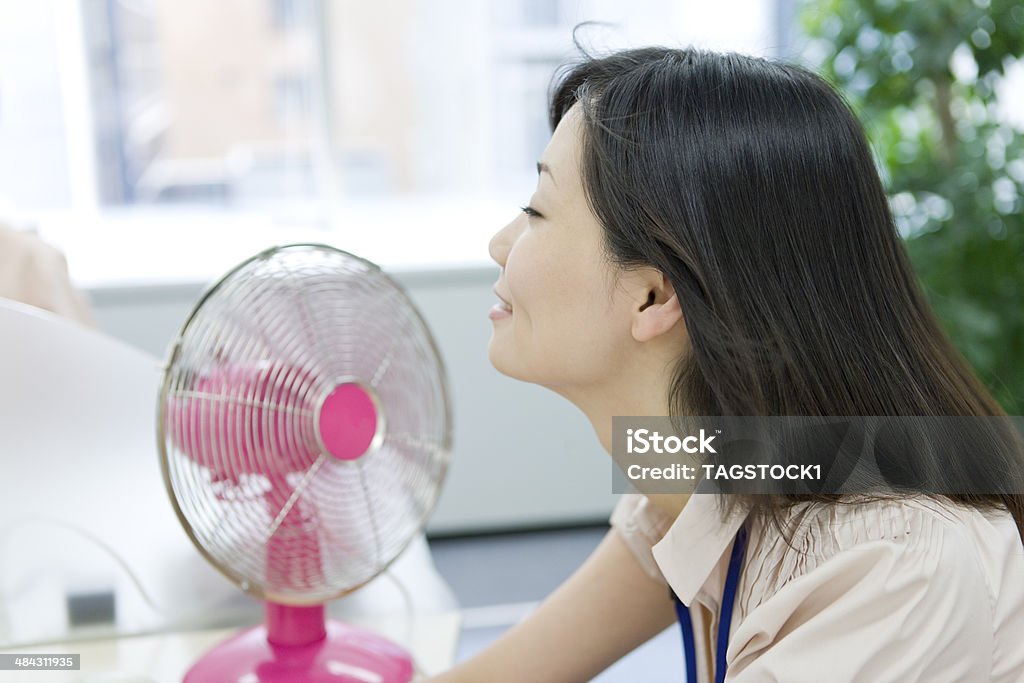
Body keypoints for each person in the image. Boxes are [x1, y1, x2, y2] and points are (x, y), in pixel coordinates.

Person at [428, 47, 1024, 682]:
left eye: (538, 211)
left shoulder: (895, 567)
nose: (500, 244)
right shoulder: (713, 469)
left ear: (654, 294)